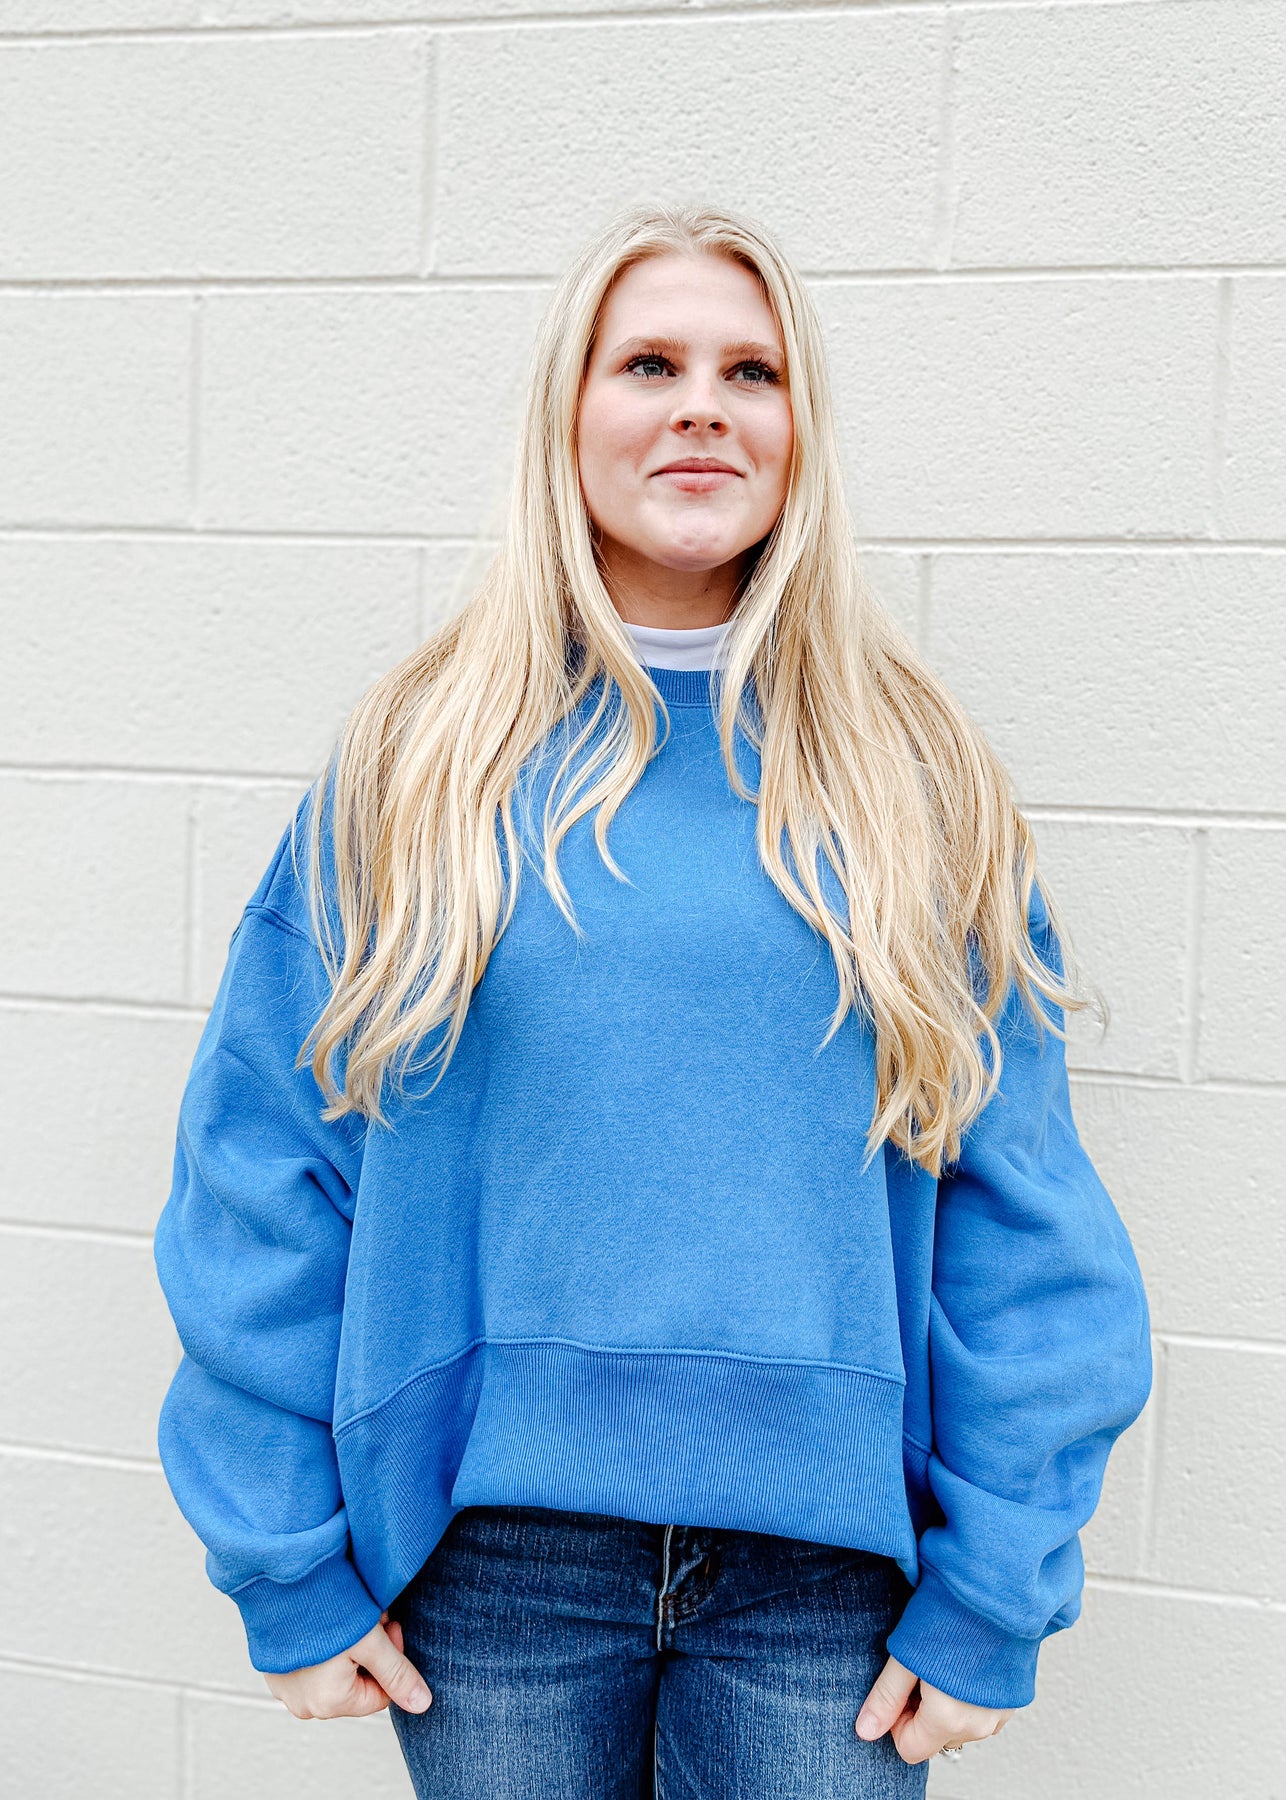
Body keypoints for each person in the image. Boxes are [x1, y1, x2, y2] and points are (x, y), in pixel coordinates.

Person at [152, 201, 1153, 1798]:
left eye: (750, 371)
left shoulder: (911, 781)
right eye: (648, 365)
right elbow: (264, 1170)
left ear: (798, 431)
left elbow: (1019, 1212)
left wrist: (995, 1585)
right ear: (569, 415)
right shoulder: (416, 764)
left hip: (825, 1585)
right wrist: (281, 1555)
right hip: (494, 1569)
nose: (701, 406)